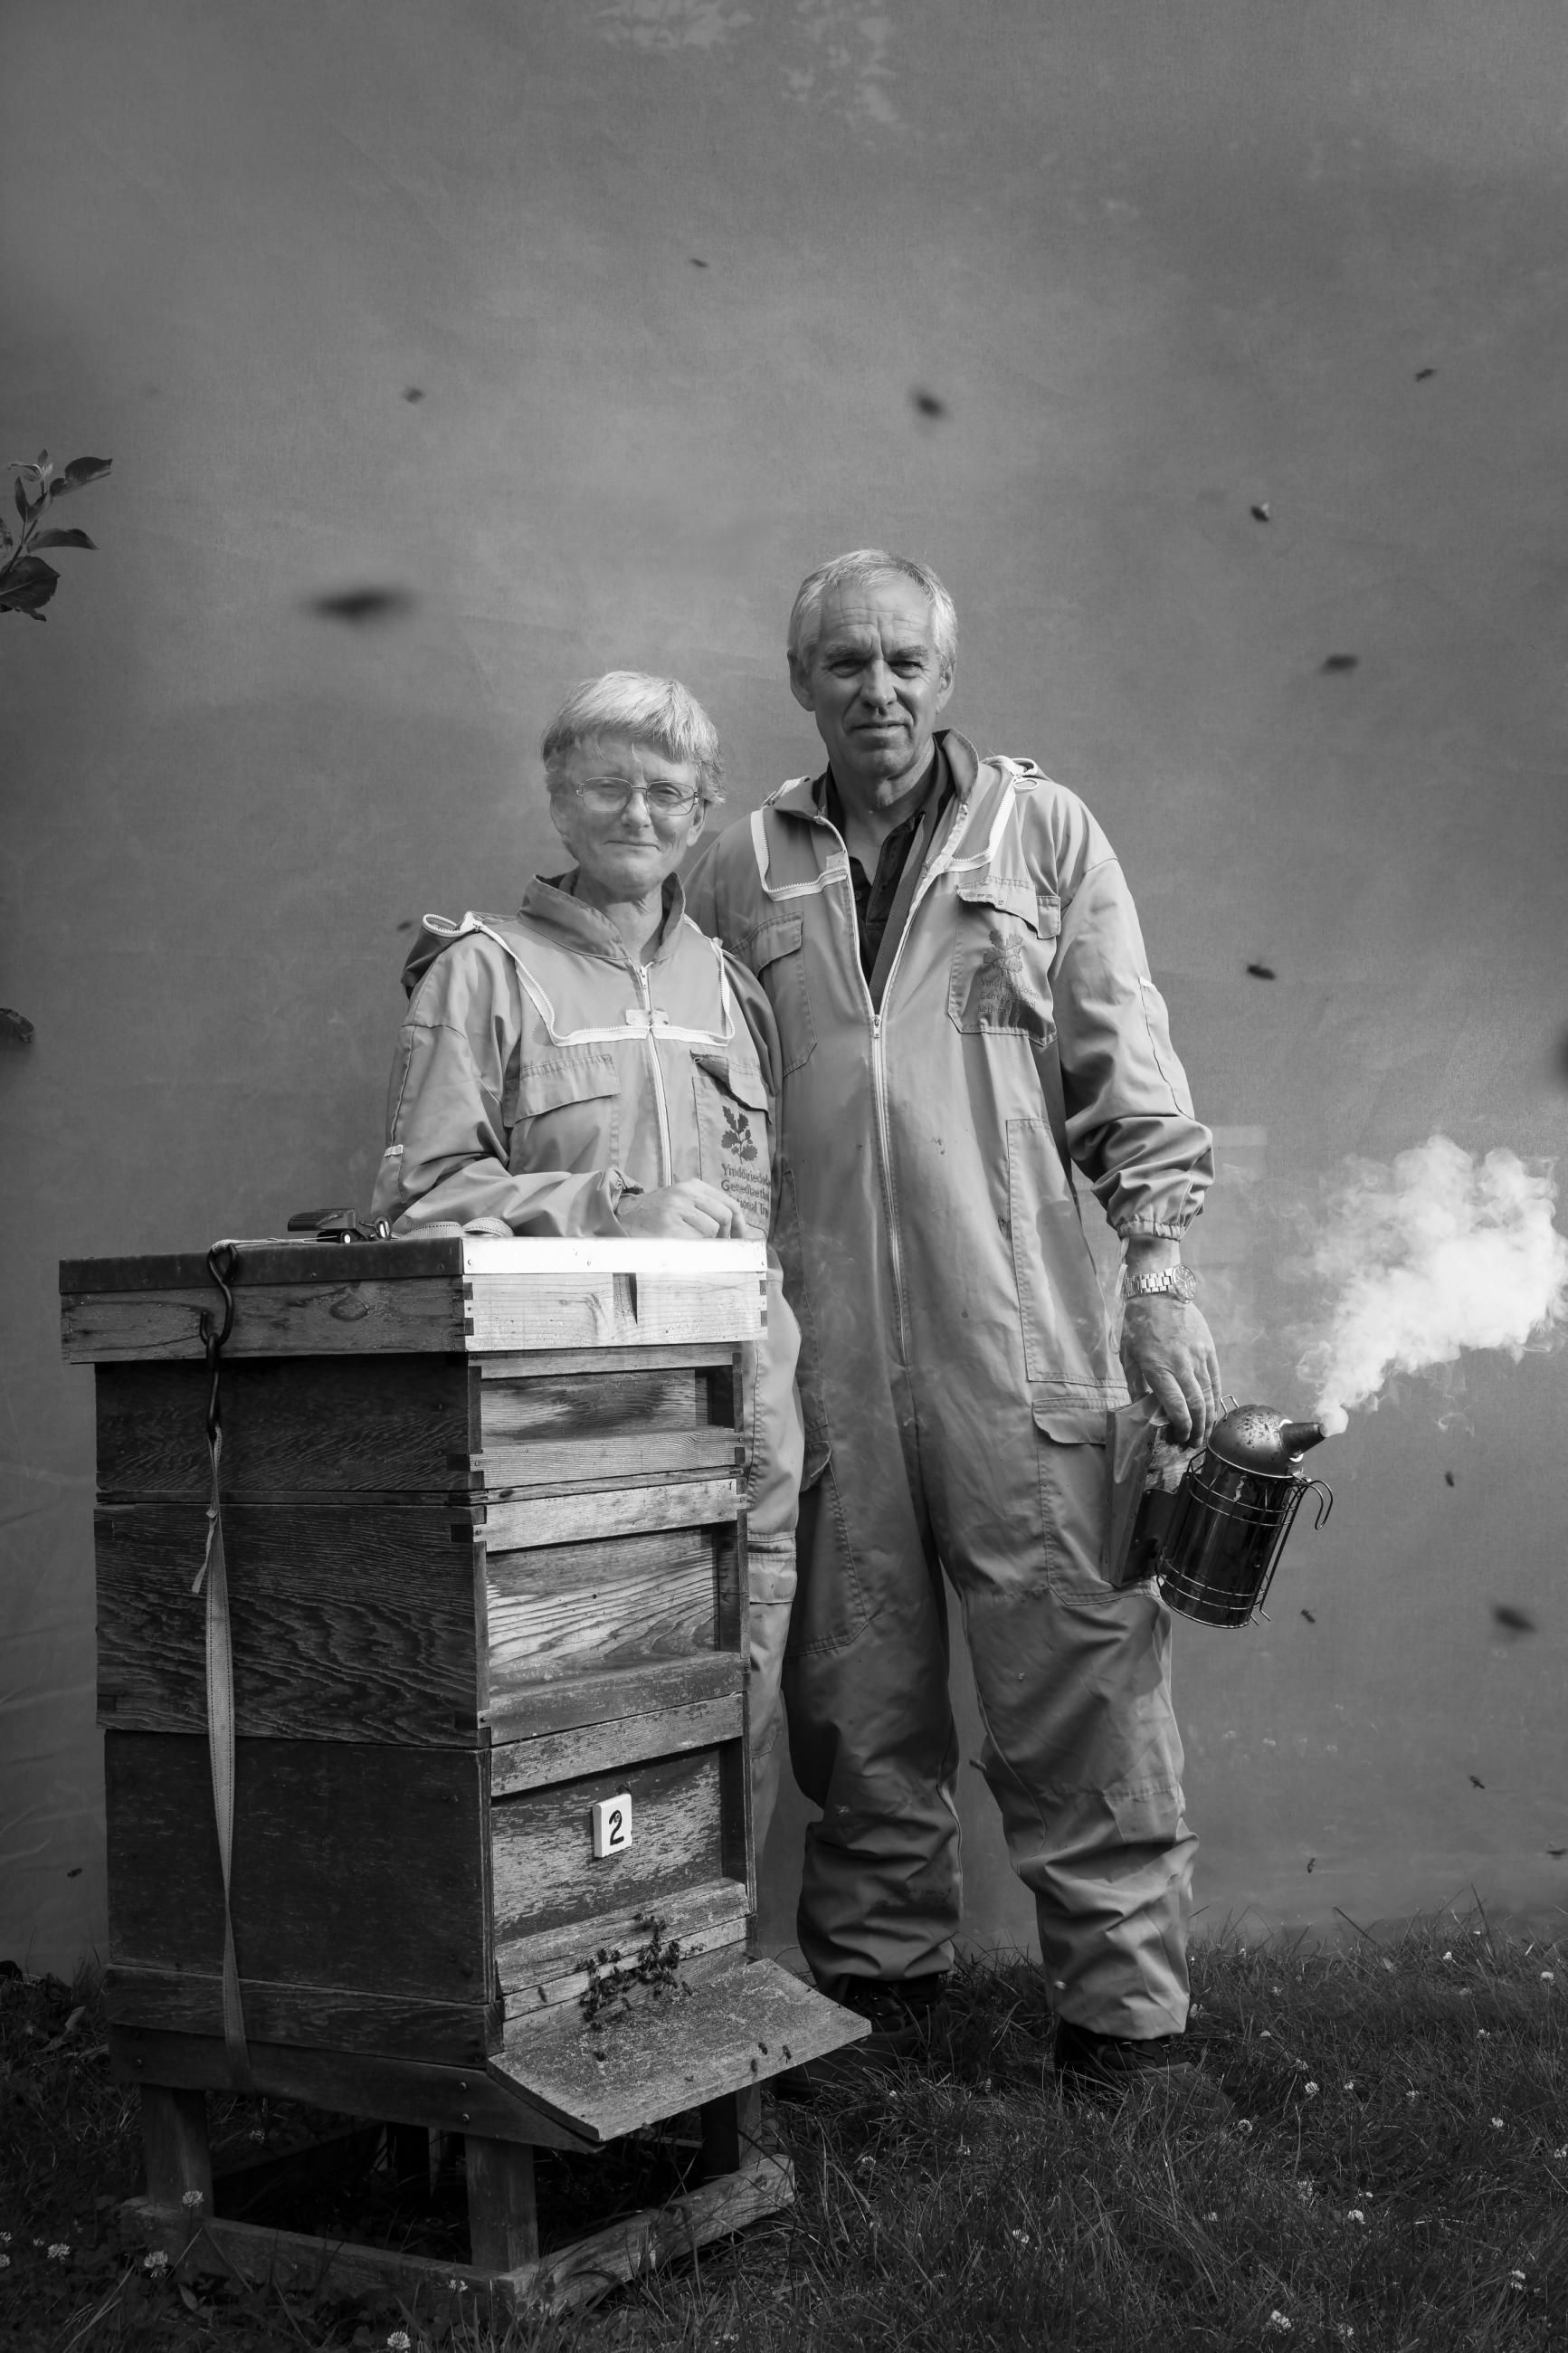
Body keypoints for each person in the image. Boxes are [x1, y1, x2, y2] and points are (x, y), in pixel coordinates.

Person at [685, 550, 1223, 2101]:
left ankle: (1124, 2029)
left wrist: (1157, 1278)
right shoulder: (738, 869)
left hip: (1021, 1345)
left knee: (1079, 1678)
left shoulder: (1041, 834)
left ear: (946, 676)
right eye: (846, 662)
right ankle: (880, 1999)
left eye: (905, 662)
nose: (878, 690)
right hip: (821, 1355)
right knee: (852, 1687)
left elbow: (1127, 1069)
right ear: (801, 681)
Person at [369, 672, 803, 1850]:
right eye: (606, 785)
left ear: (702, 810)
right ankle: (588, 1938)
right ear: (558, 800)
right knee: (579, 1692)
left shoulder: (733, 989)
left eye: (666, 791)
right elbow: (418, 1202)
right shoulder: (483, 970)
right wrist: (614, 1212)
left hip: (747, 1411)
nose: (637, 813)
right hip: (569, 1424)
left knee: (739, 1682)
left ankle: (715, 1935)